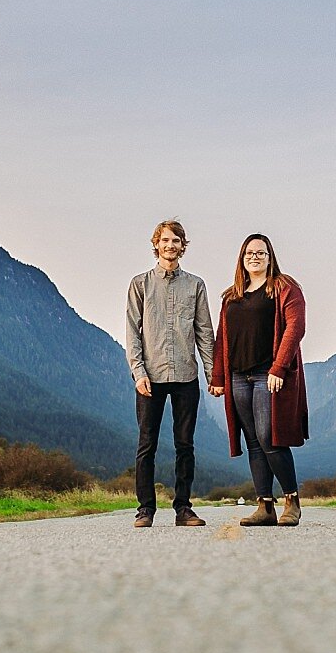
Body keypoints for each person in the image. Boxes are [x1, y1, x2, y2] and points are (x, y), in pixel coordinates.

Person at [210, 233, 308, 526]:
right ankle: (265, 506)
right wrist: (218, 377)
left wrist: (279, 368)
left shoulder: (284, 287)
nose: (255, 257)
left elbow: (295, 327)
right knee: (253, 441)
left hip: (268, 374)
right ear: (242, 258)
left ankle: (292, 500)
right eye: (249, 253)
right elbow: (221, 339)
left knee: (269, 437)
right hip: (239, 376)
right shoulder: (231, 297)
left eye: (261, 253)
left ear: (270, 257)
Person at [124, 219, 215, 527]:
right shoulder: (140, 284)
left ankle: (183, 508)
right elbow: (132, 334)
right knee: (146, 444)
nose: (170, 245)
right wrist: (138, 372)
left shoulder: (196, 285)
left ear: (182, 246)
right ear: (157, 245)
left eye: (176, 241)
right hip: (150, 377)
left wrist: (213, 374)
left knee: (185, 445)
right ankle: (145, 509)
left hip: (186, 377)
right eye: (165, 240)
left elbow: (204, 332)